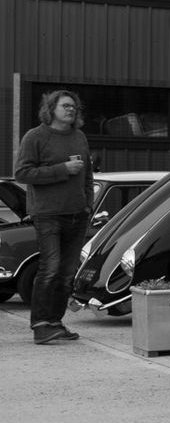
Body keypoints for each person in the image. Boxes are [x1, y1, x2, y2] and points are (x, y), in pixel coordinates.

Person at [12, 90, 93, 345]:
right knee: (50, 269)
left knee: (67, 273)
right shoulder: (35, 136)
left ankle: (55, 323)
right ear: (51, 109)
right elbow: (22, 173)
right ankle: (40, 325)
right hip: (48, 214)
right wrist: (62, 169)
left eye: (74, 107)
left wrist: (88, 204)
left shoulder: (79, 136)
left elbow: (88, 174)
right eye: (65, 106)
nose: (71, 110)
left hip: (77, 214)